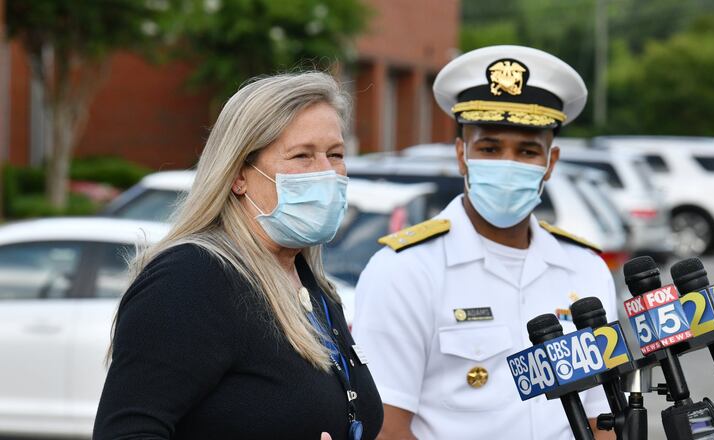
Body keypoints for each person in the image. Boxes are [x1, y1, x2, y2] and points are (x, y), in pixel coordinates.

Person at [93, 72, 383, 440]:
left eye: (336, 155)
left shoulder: (311, 286)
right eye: (302, 156)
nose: (327, 173)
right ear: (238, 175)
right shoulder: (191, 279)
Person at [351, 45, 617, 439]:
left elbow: (603, 420)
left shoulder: (585, 268)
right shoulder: (404, 270)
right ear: (461, 155)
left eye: (528, 151)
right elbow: (386, 428)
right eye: (490, 148)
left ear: (551, 163)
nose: (508, 163)